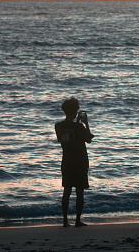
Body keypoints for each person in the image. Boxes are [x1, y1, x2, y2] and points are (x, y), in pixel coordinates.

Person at [55, 97, 94, 227]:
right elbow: (88, 139)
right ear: (76, 110)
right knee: (79, 192)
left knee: (66, 191)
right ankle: (77, 220)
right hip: (80, 161)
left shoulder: (58, 126)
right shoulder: (79, 126)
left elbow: (68, 137)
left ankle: (65, 220)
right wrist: (86, 123)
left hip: (66, 160)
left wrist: (78, 123)